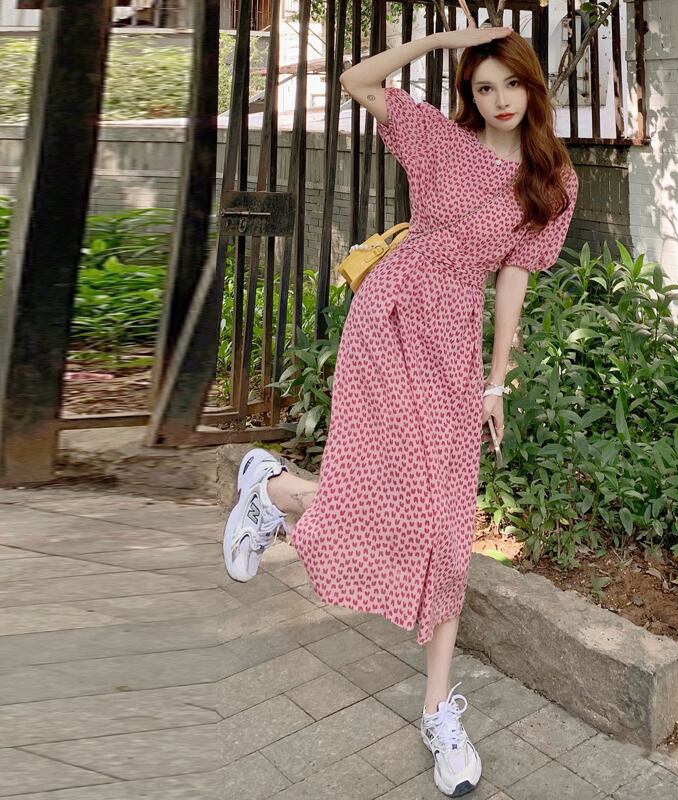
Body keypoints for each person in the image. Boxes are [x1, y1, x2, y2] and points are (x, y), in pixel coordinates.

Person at [222, 15, 578, 798]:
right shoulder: (437, 140)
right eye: (482, 88)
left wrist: (497, 381)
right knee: (383, 491)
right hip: (390, 313)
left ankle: (435, 709)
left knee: (446, 526)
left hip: (454, 337)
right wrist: (441, 44)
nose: (499, 99)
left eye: (510, 84)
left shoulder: (552, 179)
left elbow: (513, 281)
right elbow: (357, 81)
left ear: (531, 86)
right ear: (469, 94)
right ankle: (272, 494)